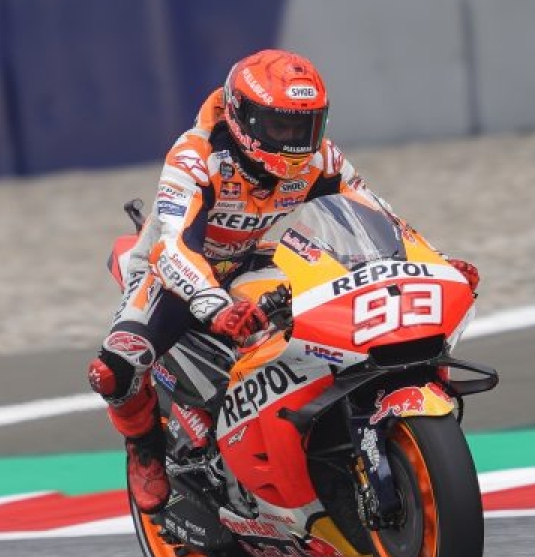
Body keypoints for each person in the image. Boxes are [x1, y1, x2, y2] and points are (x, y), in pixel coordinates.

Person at [86, 49, 480, 514]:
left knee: (322, 323)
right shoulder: (195, 157)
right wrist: (214, 305)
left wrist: (433, 261)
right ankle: (145, 448)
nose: (294, 141)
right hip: (169, 272)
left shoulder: (321, 159)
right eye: (280, 127)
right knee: (114, 367)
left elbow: (378, 216)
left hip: (249, 261)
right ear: (242, 118)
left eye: (304, 127)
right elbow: (172, 246)